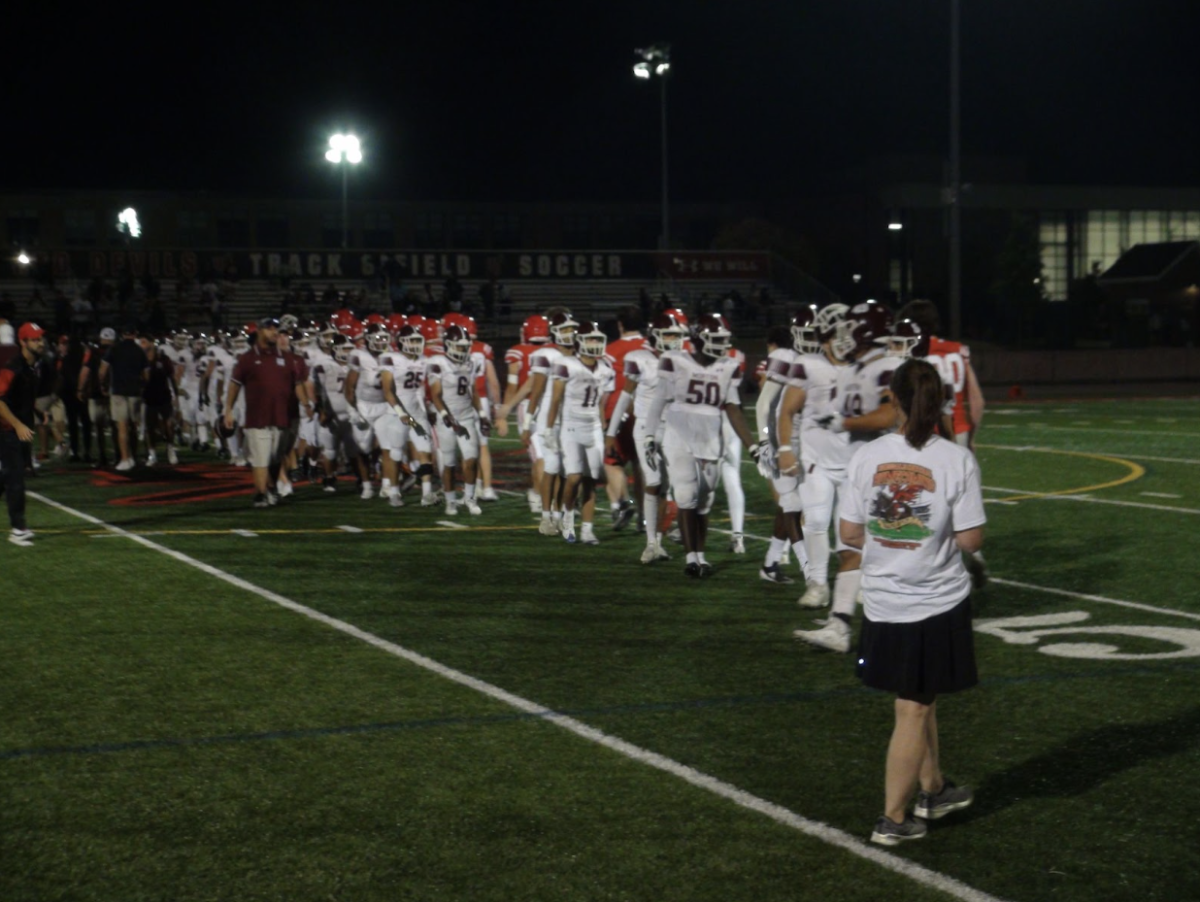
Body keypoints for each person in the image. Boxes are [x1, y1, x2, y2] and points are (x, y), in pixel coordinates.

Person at [838, 358, 985, 846]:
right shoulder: (956, 459)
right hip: (934, 600)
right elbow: (970, 541)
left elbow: (850, 533)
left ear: (894, 400)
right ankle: (893, 818)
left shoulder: (865, 456)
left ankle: (933, 788)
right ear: (940, 400)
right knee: (913, 707)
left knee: (922, 696)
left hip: (881, 597)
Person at [642, 313, 767, 577]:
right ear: (699, 339)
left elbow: (732, 407)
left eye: (723, 339)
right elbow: (659, 400)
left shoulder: (728, 366)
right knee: (686, 495)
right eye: (716, 339)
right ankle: (693, 558)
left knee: (706, 499)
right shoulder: (674, 361)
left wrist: (752, 446)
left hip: (711, 433)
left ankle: (699, 553)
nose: (722, 344)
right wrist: (649, 436)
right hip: (679, 430)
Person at [544, 320, 615, 545]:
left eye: (597, 339)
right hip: (571, 426)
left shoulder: (606, 369)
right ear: (580, 341)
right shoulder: (566, 365)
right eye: (590, 339)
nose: (595, 343)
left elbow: (601, 403)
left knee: (590, 480)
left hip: (593, 427)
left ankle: (587, 530)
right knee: (573, 477)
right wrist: (549, 429)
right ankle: (566, 519)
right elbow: (555, 399)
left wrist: (604, 427)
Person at [224, 318, 307, 507]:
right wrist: (228, 409)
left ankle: (271, 488)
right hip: (257, 416)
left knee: (275, 457)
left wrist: (306, 405)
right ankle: (260, 493)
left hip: (282, 415)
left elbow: (297, 385)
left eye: (276, 329)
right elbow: (234, 385)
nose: (274, 332)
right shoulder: (246, 359)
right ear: (259, 331)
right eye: (270, 329)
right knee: (261, 457)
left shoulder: (287, 358)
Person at [0, 322, 45, 545]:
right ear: (23, 342)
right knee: (16, 477)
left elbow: (22, 397)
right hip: (7, 429)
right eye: (35, 339)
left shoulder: (33, 366)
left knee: (8, 476)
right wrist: (17, 425)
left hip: (20, 428)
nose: (41, 342)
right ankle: (18, 529)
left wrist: (36, 412)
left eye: (40, 338)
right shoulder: (13, 366)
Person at [98, 324, 148, 471]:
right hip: (134, 391)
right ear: (135, 333)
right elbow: (146, 375)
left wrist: (102, 385)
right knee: (134, 426)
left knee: (122, 427)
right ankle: (133, 456)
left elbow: (102, 371)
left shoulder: (114, 349)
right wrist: (141, 385)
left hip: (118, 391)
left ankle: (125, 459)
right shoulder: (139, 351)